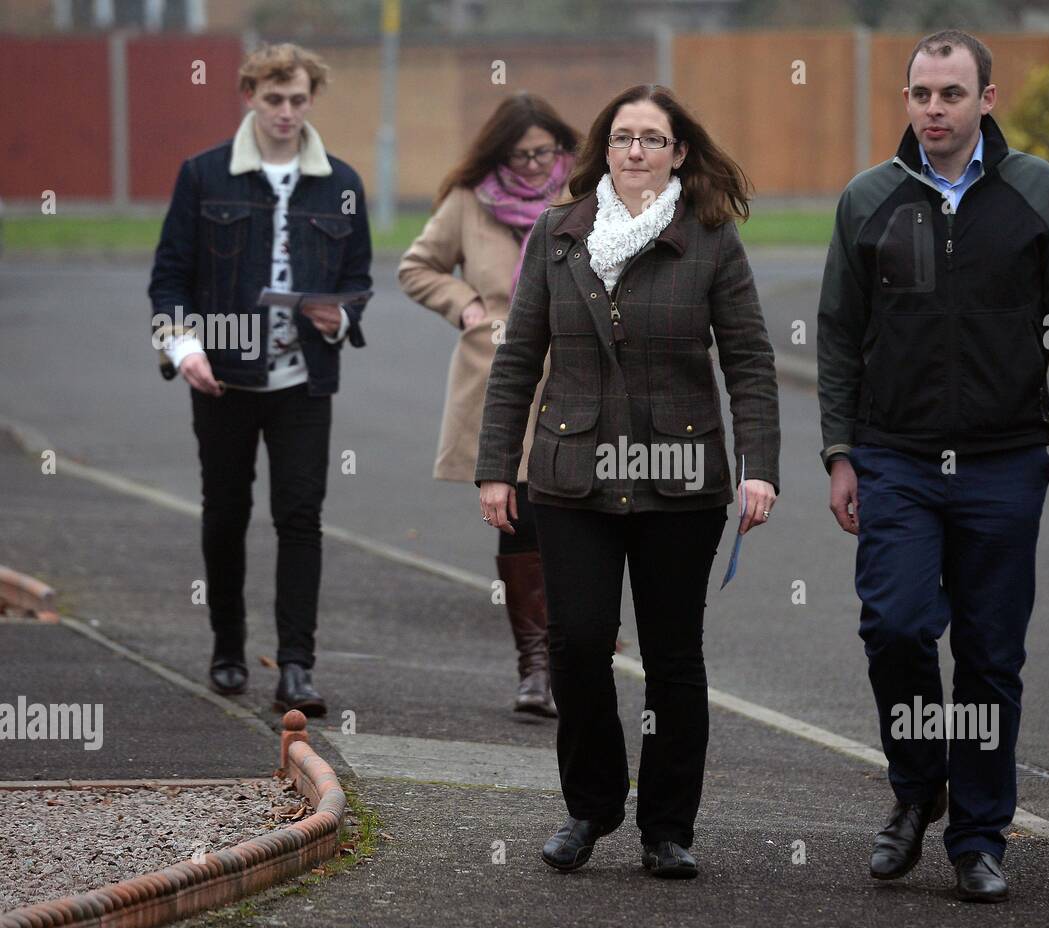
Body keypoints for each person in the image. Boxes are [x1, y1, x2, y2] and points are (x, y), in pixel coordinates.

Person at [817, 30, 1049, 903]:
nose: (935, 109)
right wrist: (841, 452)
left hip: (1003, 462)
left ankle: (979, 839)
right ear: (907, 100)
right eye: (921, 94)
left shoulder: (1038, 192)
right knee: (897, 627)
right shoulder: (868, 199)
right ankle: (916, 790)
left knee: (989, 658)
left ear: (987, 97)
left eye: (952, 93)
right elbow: (837, 337)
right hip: (895, 460)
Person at [475, 84, 780, 879]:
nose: (635, 150)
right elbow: (516, 361)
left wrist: (761, 469)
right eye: (621, 138)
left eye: (652, 138)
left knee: (674, 657)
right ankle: (591, 807)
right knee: (577, 645)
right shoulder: (557, 235)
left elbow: (749, 360)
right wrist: (494, 469)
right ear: (603, 151)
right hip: (572, 478)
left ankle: (667, 828)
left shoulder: (711, 238)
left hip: (682, 483)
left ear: (680, 152)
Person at [148, 43, 372, 717]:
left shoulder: (341, 181)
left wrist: (339, 314)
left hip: (303, 379)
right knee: (225, 514)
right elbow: (169, 278)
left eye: (298, 100)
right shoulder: (205, 175)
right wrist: (183, 348)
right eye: (273, 99)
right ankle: (227, 645)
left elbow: (358, 278)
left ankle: (297, 665)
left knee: (301, 517)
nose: (285, 112)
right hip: (222, 378)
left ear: (311, 99)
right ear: (249, 95)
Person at [398, 94, 577, 717]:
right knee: (520, 514)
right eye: (520, 155)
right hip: (499, 375)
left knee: (575, 514)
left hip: (579, 376)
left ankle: (574, 647)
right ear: (498, 154)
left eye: (543, 152)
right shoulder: (469, 200)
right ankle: (537, 665)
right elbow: (417, 267)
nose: (533, 166)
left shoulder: (584, 192)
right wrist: (468, 306)